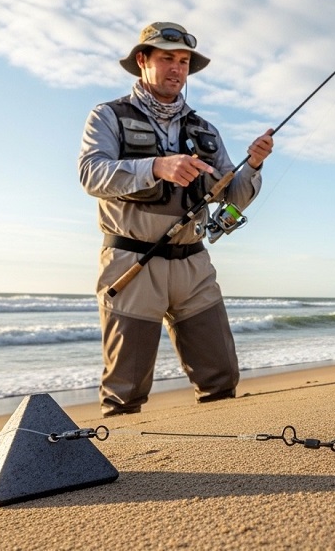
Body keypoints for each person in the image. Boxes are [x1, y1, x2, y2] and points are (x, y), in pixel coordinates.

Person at [78, 22, 274, 417]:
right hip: (131, 264)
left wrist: (252, 165)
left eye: (183, 61)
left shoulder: (206, 130)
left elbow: (231, 197)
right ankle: (129, 470)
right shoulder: (108, 116)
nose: (177, 69)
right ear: (142, 61)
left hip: (193, 264)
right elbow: (91, 175)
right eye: (167, 58)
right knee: (124, 391)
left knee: (221, 377)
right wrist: (157, 167)